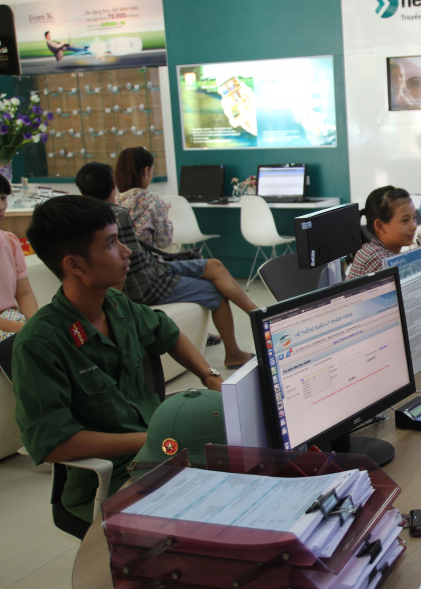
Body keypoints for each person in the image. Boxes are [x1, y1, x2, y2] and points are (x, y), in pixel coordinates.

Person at [13, 195, 224, 523]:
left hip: (163, 453)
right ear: (75, 265)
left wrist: (210, 376)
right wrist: (157, 439)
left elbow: (167, 333)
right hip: (113, 479)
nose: (127, 252)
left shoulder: (116, 304)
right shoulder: (39, 343)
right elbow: (55, 444)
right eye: (111, 243)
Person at [76, 163, 255, 368]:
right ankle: (237, 349)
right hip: (146, 282)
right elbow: (141, 254)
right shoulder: (118, 214)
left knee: (214, 265)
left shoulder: (84, 218)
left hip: (152, 268)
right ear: (112, 184)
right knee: (215, 292)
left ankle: (256, 313)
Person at [347, 186, 417, 279]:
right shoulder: (377, 258)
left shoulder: (382, 251)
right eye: (405, 220)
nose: (414, 226)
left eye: (414, 218)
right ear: (380, 226)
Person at [0, 176, 38, 341]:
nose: (1, 207)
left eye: (3, 198)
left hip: (15, 322)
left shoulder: (10, 242)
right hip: (10, 328)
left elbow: (24, 293)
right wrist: (21, 328)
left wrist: (36, 324)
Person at [114, 147, 173, 249]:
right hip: (145, 258)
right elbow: (164, 242)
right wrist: (165, 216)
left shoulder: (111, 201)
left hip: (118, 258)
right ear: (146, 171)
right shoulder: (153, 201)